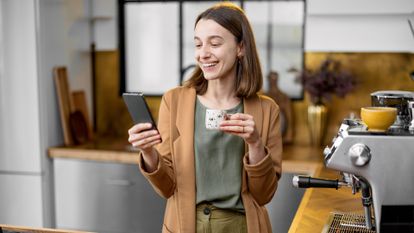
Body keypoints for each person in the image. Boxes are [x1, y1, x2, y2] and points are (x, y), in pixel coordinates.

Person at [128, 2, 282, 233]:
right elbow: (167, 188)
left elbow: (264, 195)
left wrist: (255, 144)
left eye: (215, 43)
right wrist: (148, 151)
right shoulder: (174, 101)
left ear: (241, 47)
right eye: (198, 44)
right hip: (186, 225)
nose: (203, 53)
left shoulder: (267, 110)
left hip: (242, 226)